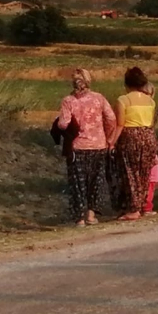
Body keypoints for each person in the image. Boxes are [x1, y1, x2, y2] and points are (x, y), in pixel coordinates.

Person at [55, 69, 115, 227]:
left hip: (77, 147)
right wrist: (108, 137)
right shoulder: (99, 98)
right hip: (98, 145)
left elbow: (63, 124)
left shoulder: (68, 101)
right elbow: (111, 118)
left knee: (78, 183)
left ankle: (79, 218)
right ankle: (91, 215)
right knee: (95, 180)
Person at [108, 67, 158, 221]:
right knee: (144, 174)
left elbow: (120, 124)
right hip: (148, 136)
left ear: (127, 83)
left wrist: (111, 142)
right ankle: (142, 205)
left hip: (131, 137)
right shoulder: (150, 101)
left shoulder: (123, 100)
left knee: (130, 172)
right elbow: (151, 122)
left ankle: (133, 208)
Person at [140, 82, 158, 216]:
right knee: (151, 177)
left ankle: (140, 204)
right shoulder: (151, 106)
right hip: (148, 141)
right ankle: (147, 206)